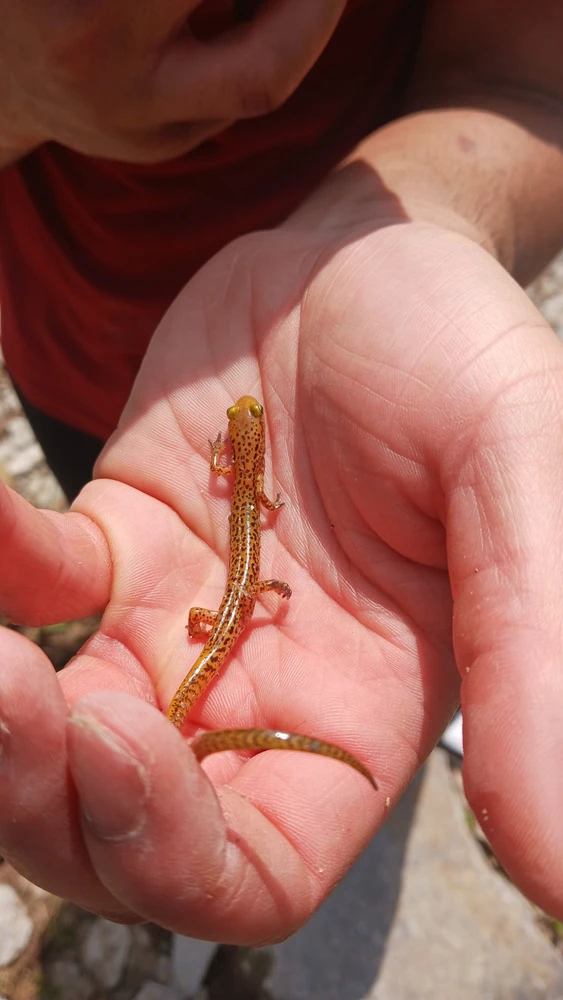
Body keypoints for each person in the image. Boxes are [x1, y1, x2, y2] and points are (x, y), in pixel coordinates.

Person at [1, 0, 563, 941]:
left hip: (216, 513)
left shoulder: (240, 479)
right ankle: (228, 734)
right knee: (158, 578)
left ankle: (324, 737)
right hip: (70, 357)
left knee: (201, 619)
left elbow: (529, 75)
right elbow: (245, 501)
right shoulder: (244, 485)